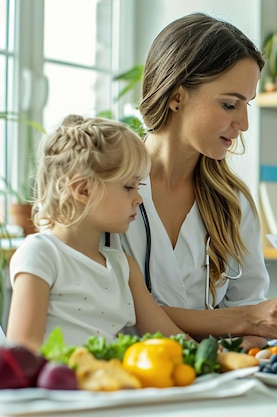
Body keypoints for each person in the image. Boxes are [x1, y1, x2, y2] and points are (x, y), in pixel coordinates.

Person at [114, 13, 277, 351]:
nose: (244, 123)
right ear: (177, 96)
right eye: (229, 104)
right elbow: (117, 311)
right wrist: (246, 318)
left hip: (214, 386)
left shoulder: (233, 203)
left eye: (247, 105)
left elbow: (249, 320)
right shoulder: (107, 188)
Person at [6, 115, 187, 352]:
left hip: (110, 384)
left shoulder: (124, 267)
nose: (139, 199)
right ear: (83, 189)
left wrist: (223, 359)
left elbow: (173, 339)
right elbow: (22, 354)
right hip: (61, 386)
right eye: (128, 187)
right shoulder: (41, 254)